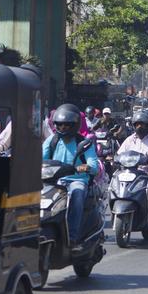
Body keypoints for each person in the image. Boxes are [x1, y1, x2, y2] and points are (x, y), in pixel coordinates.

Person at [41, 104, 99, 247]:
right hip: (54, 181)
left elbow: (94, 165)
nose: (63, 128)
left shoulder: (84, 143)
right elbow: (40, 159)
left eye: (67, 125)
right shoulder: (52, 141)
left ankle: (72, 236)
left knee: (77, 194)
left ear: (75, 125)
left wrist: (86, 167)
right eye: (60, 125)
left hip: (76, 181)